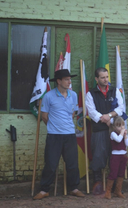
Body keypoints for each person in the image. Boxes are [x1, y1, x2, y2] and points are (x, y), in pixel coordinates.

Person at [33, 69, 85, 200]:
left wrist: (65, 125)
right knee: (51, 163)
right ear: (59, 81)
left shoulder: (73, 95)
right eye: (67, 79)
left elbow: (73, 113)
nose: (69, 82)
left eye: (69, 79)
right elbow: (44, 116)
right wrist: (55, 127)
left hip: (70, 135)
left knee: (72, 164)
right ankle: (45, 190)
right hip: (54, 135)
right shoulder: (48, 96)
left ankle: (74, 188)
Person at [85, 67, 124, 195]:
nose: (105, 79)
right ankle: (97, 182)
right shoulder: (91, 94)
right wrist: (104, 119)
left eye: (107, 77)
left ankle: (112, 185)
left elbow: (121, 108)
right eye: (102, 77)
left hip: (115, 129)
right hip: (99, 129)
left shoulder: (115, 91)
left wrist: (110, 117)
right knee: (98, 155)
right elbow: (92, 112)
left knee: (115, 156)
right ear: (97, 79)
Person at [104, 116, 128, 199]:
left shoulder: (123, 134)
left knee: (121, 173)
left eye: (122, 125)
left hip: (123, 155)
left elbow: (127, 144)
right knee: (113, 173)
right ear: (114, 127)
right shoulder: (113, 134)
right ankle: (108, 191)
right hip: (115, 156)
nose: (121, 127)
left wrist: (125, 136)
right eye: (119, 126)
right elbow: (118, 140)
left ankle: (118, 191)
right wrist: (122, 133)